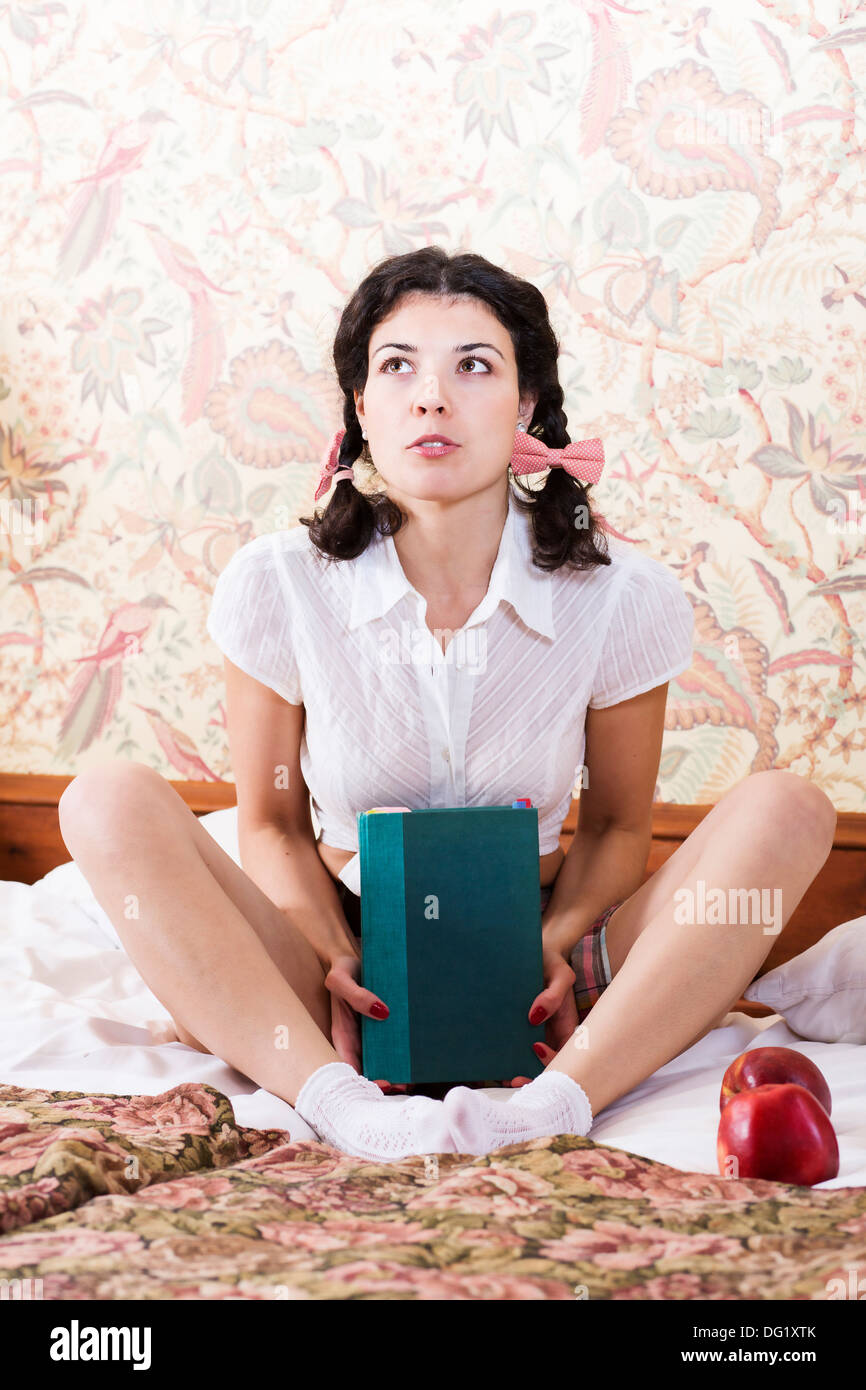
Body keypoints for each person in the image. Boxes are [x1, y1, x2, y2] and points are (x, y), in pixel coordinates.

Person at [58, 247, 836, 1164]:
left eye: (474, 365)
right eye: (398, 367)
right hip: (336, 949)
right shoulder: (278, 583)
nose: (432, 396)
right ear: (361, 410)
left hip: (551, 952)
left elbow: (620, 827)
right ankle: (339, 1100)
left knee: (792, 809)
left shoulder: (623, 596)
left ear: (529, 405)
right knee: (101, 799)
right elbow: (269, 824)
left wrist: (548, 944)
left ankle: (559, 1099)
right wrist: (330, 953)